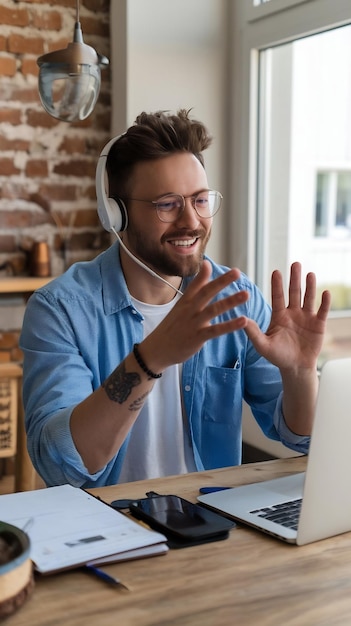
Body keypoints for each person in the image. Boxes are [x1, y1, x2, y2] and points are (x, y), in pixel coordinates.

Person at [20, 109, 331, 488]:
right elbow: (62, 465)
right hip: (108, 530)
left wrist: (299, 374)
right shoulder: (61, 310)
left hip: (212, 521)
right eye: (167, 204)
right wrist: (151, 358)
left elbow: (300, 435)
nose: (191, 221)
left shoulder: (236, 297)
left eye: (200, 200)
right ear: (117, 215)